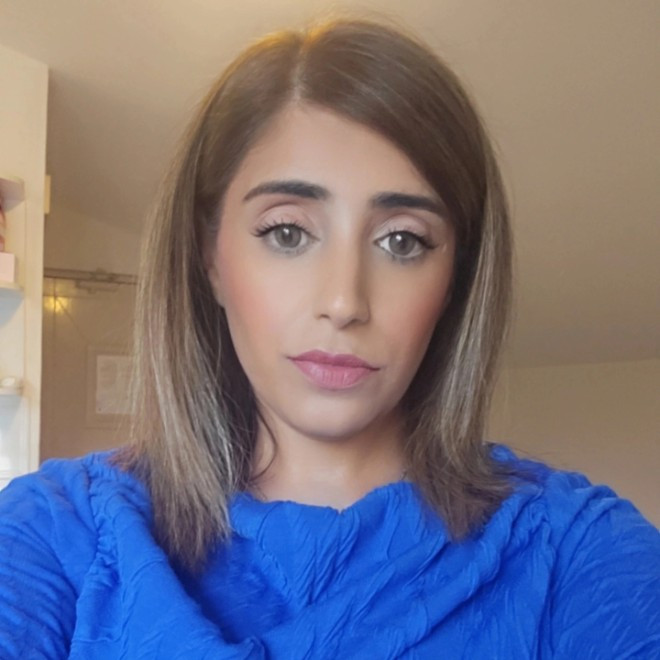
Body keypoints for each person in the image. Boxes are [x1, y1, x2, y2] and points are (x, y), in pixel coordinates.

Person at [1, 17, 658, 659]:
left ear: (456, 278)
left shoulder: (573, 550)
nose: (344, 302)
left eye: (402, 241)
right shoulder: (54, 534)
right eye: (287, 233)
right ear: (209, 257)